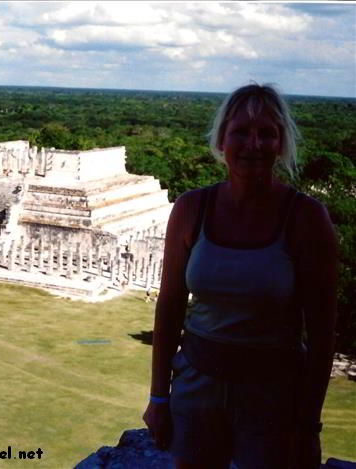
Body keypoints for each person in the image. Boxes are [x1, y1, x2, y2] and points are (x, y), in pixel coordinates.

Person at [142, 83, 338, 469]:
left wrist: (307, 424)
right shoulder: (191, 208)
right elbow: (169, 308)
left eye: (267, 133)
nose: (254, 144)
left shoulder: (306, 219)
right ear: (221, 140)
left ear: (281, 144)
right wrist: (159, 398)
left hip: (272, 395)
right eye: (241, 132)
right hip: (196, 387)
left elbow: (320, 333)